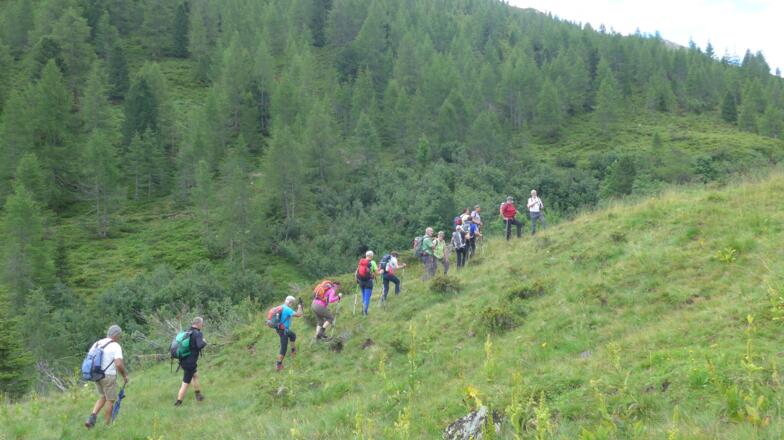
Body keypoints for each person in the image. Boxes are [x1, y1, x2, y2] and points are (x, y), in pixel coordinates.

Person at [85, 325, 128, 429]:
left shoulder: (97, 343)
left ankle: (92, 417)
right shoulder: (115, 346)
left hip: (96, 374)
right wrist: (125, 375)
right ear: (116, 335)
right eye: (119, 336)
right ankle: (107, 425)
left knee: (103, 396)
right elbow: (118, 364)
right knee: (110, 400)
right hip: (108, 376)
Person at [175, 317, 208, 406]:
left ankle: (198, 395)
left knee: (195, 375)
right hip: (190, 362)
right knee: (186, 383)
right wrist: (204, 342)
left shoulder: (187, 332)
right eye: (202, 323)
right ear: (199, 324)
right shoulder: (198, 333)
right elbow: (199, 345)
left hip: (183, 360)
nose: (202, 325)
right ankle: (178, 403)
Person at [276, 296, 303, 371]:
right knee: (283, 348)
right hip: (283, 330)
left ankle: (293, 351)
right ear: (290, 303)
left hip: (280, 329)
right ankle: (278, 365)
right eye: (292, 303)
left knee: (292, 335)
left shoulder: (280, 307)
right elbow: (298, 315)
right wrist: (300, 307)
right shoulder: (287, 309)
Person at [356, 250, 378, 316]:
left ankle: (363, 310)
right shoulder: (372, 262)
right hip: (368, 282)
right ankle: (365, 312)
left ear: (366, 255)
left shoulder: (361, 262)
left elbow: (356, 272)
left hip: (361, 282)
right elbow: (377, 272)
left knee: (364, 296)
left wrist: (357, 280)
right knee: (367, 297)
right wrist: (382, 271)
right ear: (372, 256)